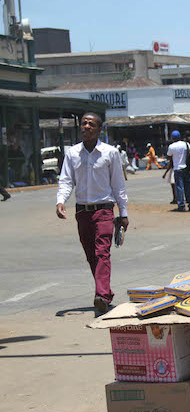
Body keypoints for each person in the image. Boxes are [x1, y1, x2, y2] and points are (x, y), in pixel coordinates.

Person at [55, 112, 128, 316]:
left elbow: (118, 185)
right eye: (84, 123)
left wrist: (123, 213)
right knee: (91, 256)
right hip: (82, 212)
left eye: (91, 124)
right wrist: (61, 201)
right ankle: (106, 292)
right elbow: (66, 180)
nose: (86, 127)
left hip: (104, 210)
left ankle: (102, 296)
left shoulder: (110, 153)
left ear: (99, 129)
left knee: (102, 252)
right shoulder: (72, 153)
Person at [166, 130, 190, 212]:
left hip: (177, 169)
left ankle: (181, 205)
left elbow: (168, 156)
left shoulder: (171, 146)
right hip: (185, 168)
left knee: (179, 188)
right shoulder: (185, 144)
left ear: (172, 138)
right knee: (188, 187)